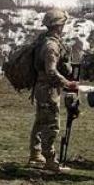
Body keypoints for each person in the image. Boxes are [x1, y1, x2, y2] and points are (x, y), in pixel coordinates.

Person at [28, 9, 79, 172]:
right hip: (49, 89)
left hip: (43, 88)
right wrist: (67, 83)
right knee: (51, 123)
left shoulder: (44, 40)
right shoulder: (51, 45)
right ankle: (50, 159)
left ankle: (36, 153)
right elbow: (51, 71)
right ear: (58, 25)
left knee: (41, 121)